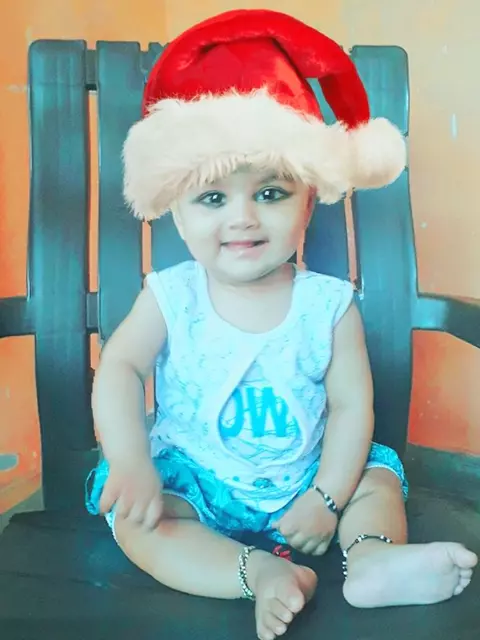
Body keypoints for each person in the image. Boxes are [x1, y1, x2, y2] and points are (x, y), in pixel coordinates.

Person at [86, 9, 477, 640]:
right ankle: (256, 573)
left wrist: (328, 496)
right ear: (176, 213)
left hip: (310, 480)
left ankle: (371, 559)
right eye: (213, 198)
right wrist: (130, 460)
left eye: (270, 193)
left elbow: (351, 407)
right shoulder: (171, 296)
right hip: (196, 480)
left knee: (375, 479)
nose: (243, 217)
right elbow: (122, 368)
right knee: (139, 521)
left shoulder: (328, 304)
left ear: (309, 200)